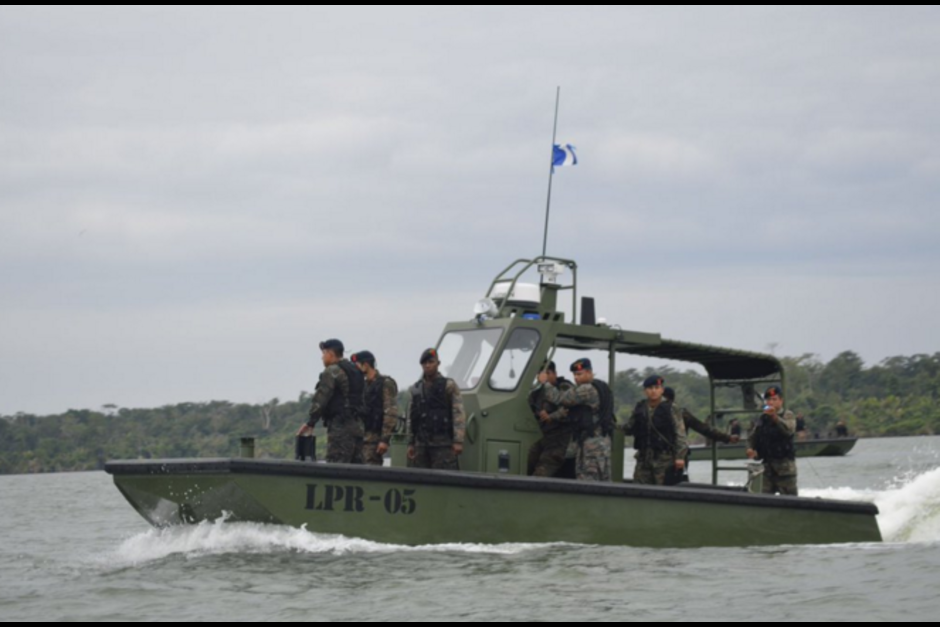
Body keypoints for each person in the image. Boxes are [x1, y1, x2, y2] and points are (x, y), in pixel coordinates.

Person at [537, 358, 614, 482]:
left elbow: (560, 398)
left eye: (579, 374)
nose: (576, 378)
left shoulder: (586, 389)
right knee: (602, 482)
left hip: (591, 446)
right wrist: (551, 417)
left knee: (587, 483)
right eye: (574, 375)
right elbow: (567, 411)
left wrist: (545, 383)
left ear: (589, 372)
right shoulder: (601, 386)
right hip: (600, 444)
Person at [296, 339, 365, 464]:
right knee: (357, 470)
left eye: (323, 354)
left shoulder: (332, 371)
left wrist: (311, 422)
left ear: (331, 354)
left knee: (336, 468)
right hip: (358, 427)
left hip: (341, 428)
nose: (322, 358)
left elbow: (321, 398)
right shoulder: (356, 370)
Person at [663, 387, 739, 483]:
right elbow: (704, 428)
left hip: (671, 458)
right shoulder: (680, 413)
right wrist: (727, 438)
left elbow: (704, 428)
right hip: (675, 457)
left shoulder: (679, 414)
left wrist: (727, 438)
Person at [407, 348, 466, 470]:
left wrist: (458, 441)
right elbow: (411, 418)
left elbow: (458, 413)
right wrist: (410, 443)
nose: (427, 366)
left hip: (442, 444)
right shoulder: (416, 389)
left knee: (444, 481)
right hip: (421, 445)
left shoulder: (448, 385)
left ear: (438, 363)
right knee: (420, 481)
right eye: (425, 363)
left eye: (431, 362)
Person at [624, 375, 688, 486]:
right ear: (645, 391)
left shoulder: (671, 408)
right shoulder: (640, 407)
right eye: (650, 388)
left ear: (662, 390)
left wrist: (680, 457)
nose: (653, 391)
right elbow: (629, 427)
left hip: (664, 458)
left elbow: (680, 433)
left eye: (656, 388)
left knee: (663, 491)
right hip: (643, 458)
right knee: (639, 490)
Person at [747, 385, 798, 496]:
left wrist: (775, 417)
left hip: (785, 470)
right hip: (768, 469)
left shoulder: (787, 415)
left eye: (774, 399)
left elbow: (789, 430)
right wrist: (751, 448)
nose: (771, 402)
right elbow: (753, 436)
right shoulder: (763, 418)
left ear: (781, 401)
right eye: (768, 400)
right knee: (765, 500)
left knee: (790, 502)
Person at [527, 361, 575, 477]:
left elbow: (570, 410)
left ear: (555, 373)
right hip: (542, 438)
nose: (544, 377)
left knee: (541, 472)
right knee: (525, 466)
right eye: (541, 374)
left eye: (547, 373)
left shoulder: (565, 387)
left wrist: (551, 416)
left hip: (559, 440)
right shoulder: (537, 393)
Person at [352, 350, 399, 467]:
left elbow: (391, 412)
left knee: (370, 472)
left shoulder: (385, 383)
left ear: (366, 365)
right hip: (361, 439)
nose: (355, 369)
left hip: (374, 440)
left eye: (357, 365)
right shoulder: (362, 386)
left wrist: (384, 440)